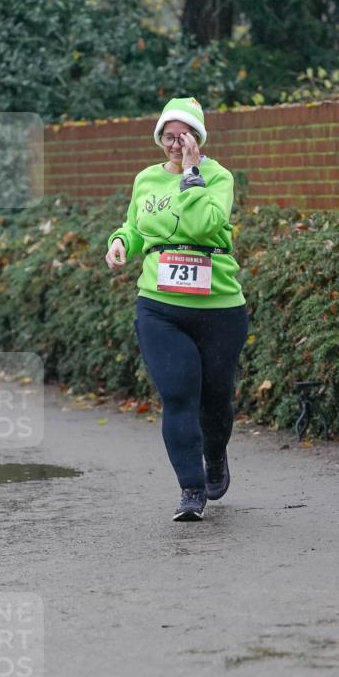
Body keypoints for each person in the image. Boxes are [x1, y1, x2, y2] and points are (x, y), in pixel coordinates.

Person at [105, 96, 248, 522]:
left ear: (198, 139)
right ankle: (191, 489)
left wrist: (191, 175)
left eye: (183, 135)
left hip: (219, 304)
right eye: (168, 135)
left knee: (216, 399)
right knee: (178, 394)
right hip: (160, 306)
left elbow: (205, 224)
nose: (174, 143)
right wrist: (119, 242)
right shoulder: (146, 179)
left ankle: (216, 454)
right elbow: (135, 227)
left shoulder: (217, 176)